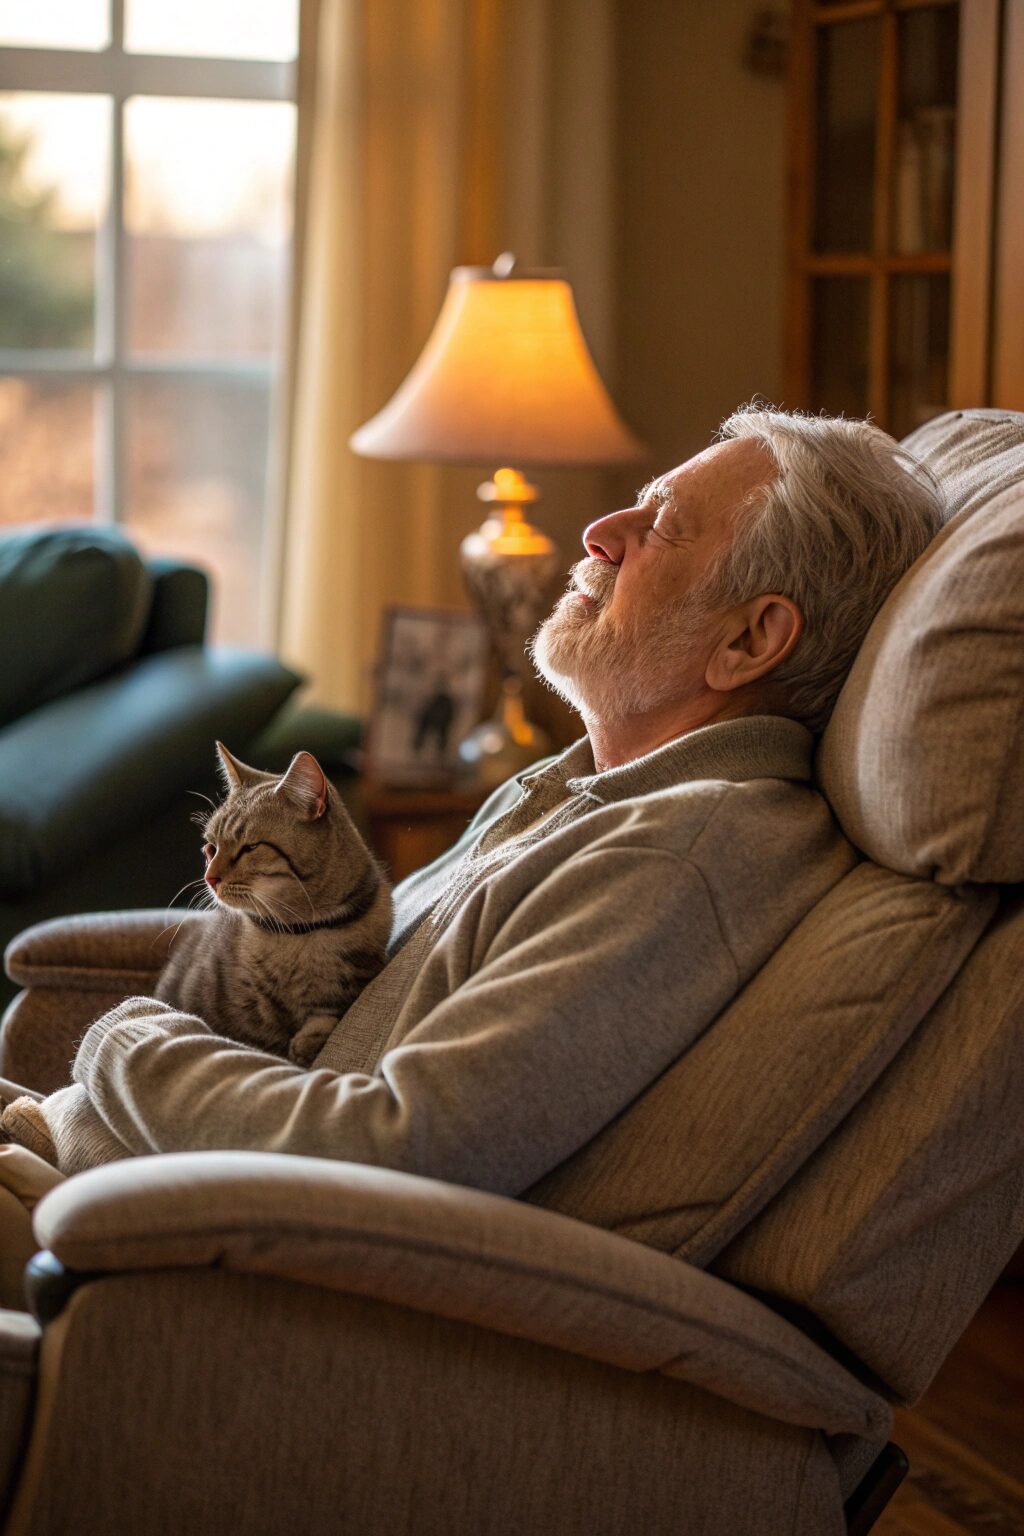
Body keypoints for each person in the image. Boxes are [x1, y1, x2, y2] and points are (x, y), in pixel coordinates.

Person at [0, 404, 944, 1269]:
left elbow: (390, 1149)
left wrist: (123, 1039)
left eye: (658, 525)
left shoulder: (678, 852)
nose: (598, 533)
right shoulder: (581, 788)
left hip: (128, 1238)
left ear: (748, 641)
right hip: (86, 1154)